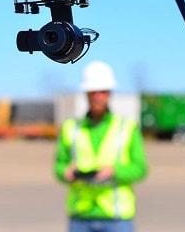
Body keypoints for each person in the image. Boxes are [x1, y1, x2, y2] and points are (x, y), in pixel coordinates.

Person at [54, 61, 148, 232]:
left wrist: (115, 171)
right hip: (81, 215)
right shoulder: (70, 127)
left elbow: (140, 168)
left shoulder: (127, 127)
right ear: (86, 93)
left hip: (117, 217)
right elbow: (59, 165)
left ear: (110, 93)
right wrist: (66, 172)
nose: (97, 96)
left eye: (102, 91)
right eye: (93, 91)